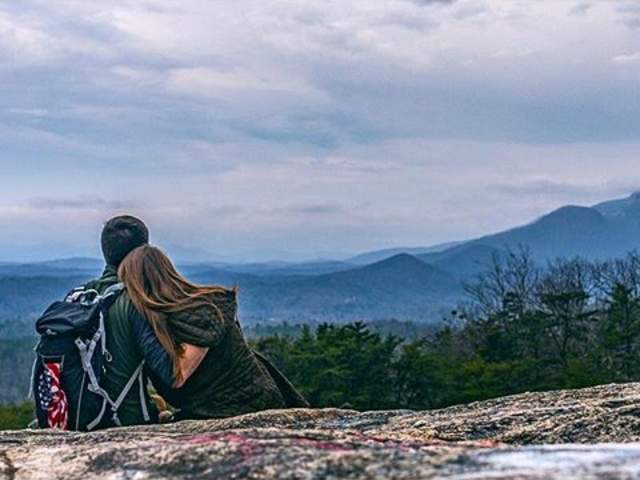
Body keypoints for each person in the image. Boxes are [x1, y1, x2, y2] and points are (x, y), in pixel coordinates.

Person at [117, 244, 308, 420]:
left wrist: (136, 317)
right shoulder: (177, 315)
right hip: (225, 407)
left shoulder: (204, 312)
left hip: (246, 406)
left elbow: (177, 375)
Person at [83, 215, 176, 427]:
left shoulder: (79, 295)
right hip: (127, 421)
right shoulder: (136, 302)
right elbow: (169, 375)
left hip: (78, 416)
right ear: (144, 252)